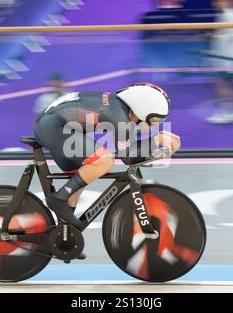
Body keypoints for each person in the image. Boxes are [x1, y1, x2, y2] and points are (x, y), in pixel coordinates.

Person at [34, 83, 180, 230]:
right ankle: (59, 198)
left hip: (53, 125)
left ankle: (65, 236)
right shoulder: (119, 115)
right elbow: (128, 156)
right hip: (53, 128)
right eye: (155, 120)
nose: (155, 125)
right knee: (105, 160)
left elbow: (131, 146)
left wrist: (155, 141)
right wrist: (157, 140)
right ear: (142, 108)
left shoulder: (118, 107)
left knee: (81, 178)